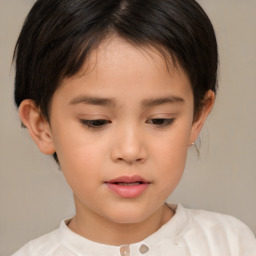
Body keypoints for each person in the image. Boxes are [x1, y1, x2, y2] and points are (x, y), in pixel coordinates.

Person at [12, 0, 256, 255]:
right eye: (95, 121)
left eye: (160, 120)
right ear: (42, 127)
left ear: (197, 117)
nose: (130, 151)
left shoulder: (231, 244)